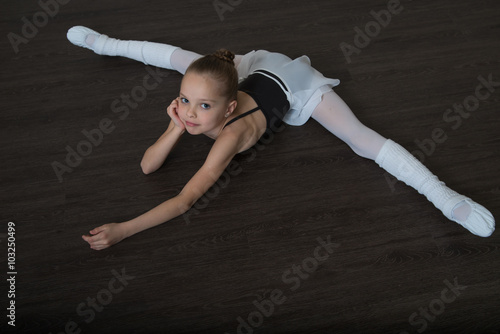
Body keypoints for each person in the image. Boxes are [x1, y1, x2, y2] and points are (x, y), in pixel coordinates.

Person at [66, 26, 495, 250]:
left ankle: (445, 198)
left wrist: (125, 229)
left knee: (361, 139)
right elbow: (147, 166)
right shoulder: (201, 100)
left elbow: (184, 200)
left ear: (228, 106)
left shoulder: (228, 137)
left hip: (294, 83)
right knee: (183, 59)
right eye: (184, 100)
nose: (191, 112)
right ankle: (106, 44)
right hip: (259, 63)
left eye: (203, 107)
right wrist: (176, 124)